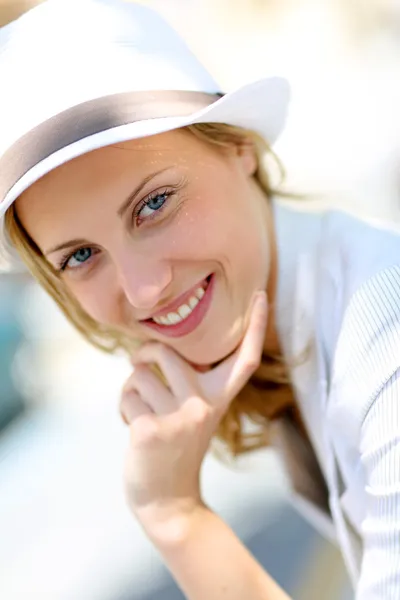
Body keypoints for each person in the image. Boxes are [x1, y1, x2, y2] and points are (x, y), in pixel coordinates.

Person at [1, 1, 400, 598]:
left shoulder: (383, 342)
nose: (143, 289)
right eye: (80, 256)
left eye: (154, 204)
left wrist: (175, 516)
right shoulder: (292, 322)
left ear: (237, 145)